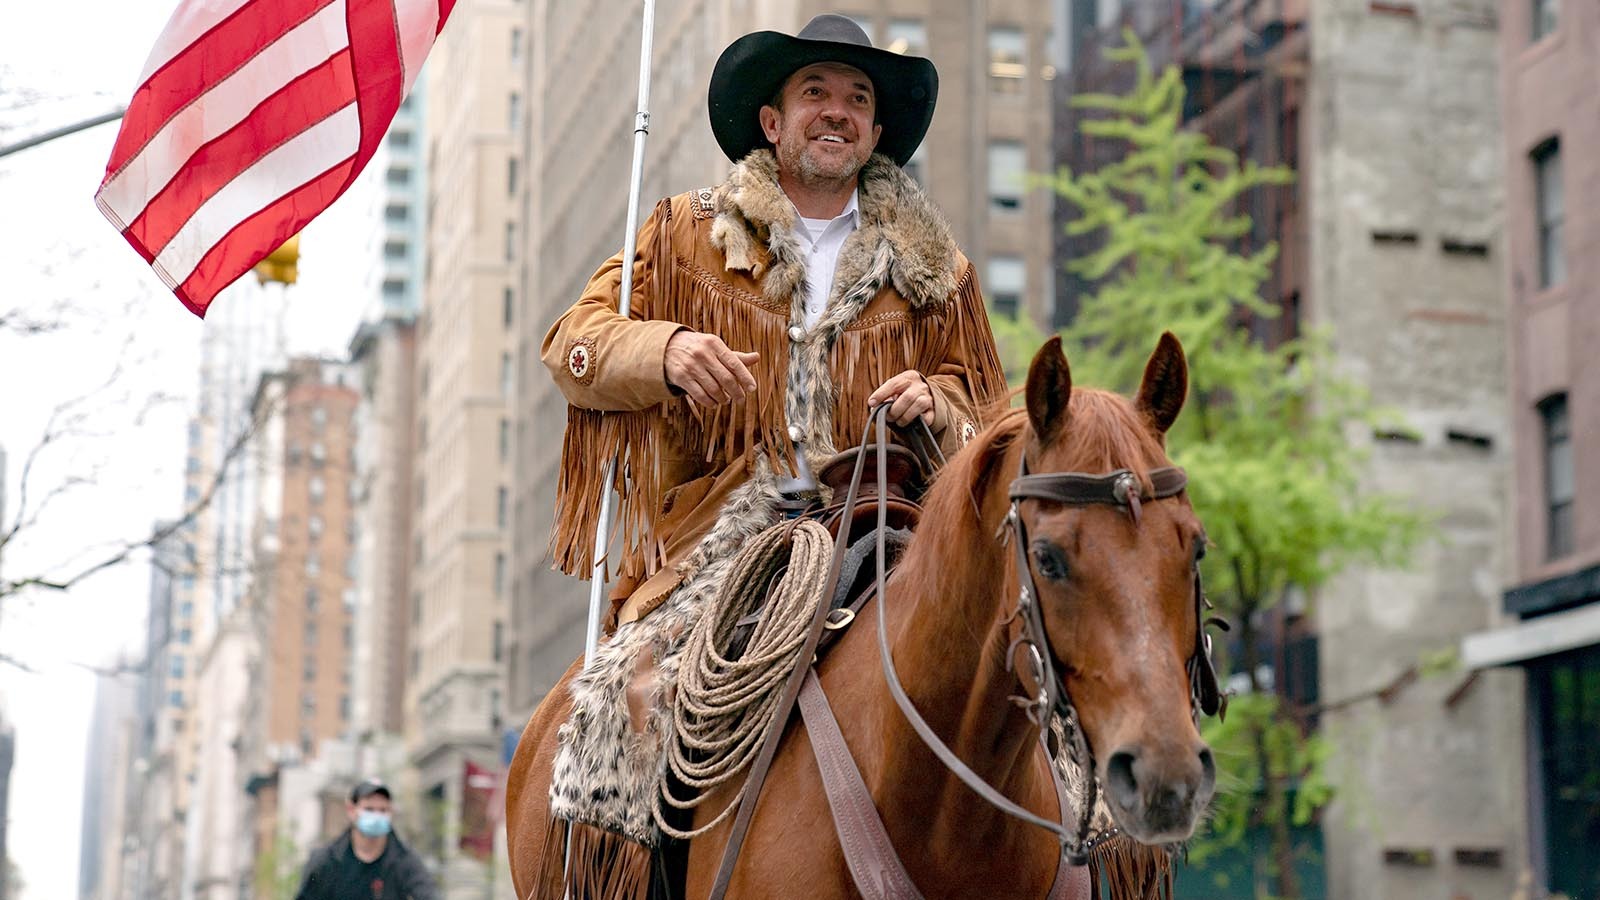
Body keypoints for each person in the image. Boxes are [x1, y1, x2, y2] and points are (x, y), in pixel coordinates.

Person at [542, 14, 1008, 630]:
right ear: (772, 122)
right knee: (638, 693)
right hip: (712, 550)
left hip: (887, 542)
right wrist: (665, 350)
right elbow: (572, 343)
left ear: (874, 133)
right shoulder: (687, 234)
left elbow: (993, 424)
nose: (837, 112)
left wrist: (939, 406)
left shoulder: (938, 269)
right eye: (815, 91)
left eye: (857, 100)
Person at [295, 779, 438, 900]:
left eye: (383, 810)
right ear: (351, 810)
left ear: (391, 813)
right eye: (369, 809)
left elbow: (429, 895)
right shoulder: (326, 861)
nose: (376, 816)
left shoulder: (405, 861)